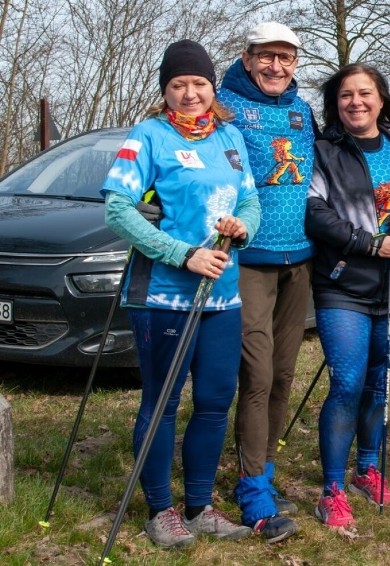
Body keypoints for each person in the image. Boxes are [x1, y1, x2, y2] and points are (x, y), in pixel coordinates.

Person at [101, 39, 261, 548]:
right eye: (178, 85)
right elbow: (118, 209)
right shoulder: (148, 135)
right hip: (164, 295)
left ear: (213, 87)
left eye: (198, 83)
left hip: (223, 296)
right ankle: (159, 510)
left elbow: (251, 199)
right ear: (165, 90)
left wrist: (243, 227)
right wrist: (181, 253)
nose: (190, 93)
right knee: (163, 402)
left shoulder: (230, 136)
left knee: (215, 401)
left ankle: (198, 507)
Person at [305, 63, 390, 527]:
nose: (356, 102)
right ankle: (332, 489)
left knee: (378, 379)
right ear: (336, 103)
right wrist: (369, 243)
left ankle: (366, 468)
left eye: (365, 93)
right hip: (343, 285)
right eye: (346, 95)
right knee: (346, 382)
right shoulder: (323, 150)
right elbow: (315, 213)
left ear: (382, 99)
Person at [218, 22, 318, 542]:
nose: (276, 67)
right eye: (266, 57)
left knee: (281, 375)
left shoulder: (304, 111)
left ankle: (264, 470)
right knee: (255, 375)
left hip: (298, 260)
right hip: (247, 260)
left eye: (286, 58)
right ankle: (252, 488)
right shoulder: (224, 106)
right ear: (248, 56)